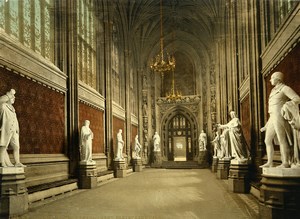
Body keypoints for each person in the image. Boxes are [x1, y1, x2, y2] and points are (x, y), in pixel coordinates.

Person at [260, 72, 300, 168]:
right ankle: (270, 162)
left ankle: (285, 162)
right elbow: (272, 110)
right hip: (272, 117)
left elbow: (297, 98)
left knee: (282, 139)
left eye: (272, 78)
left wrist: (285, 106)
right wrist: (266, 126)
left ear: (278, 79)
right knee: (267, 140)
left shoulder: (285, 88)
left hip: (280, 116)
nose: (270, 80)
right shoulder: (273, 91)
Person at [0, 89, 26, 167]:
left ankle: (17, 162)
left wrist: (17, 129)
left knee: (16, 146)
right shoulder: (3, 106)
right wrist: (10, 94)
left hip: (13, 131)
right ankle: (2, 162)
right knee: (3, 146)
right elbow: (1, 100)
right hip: (5, 129)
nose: (14, 98)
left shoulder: (13, 109)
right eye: (12, 97)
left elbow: (15, 119)